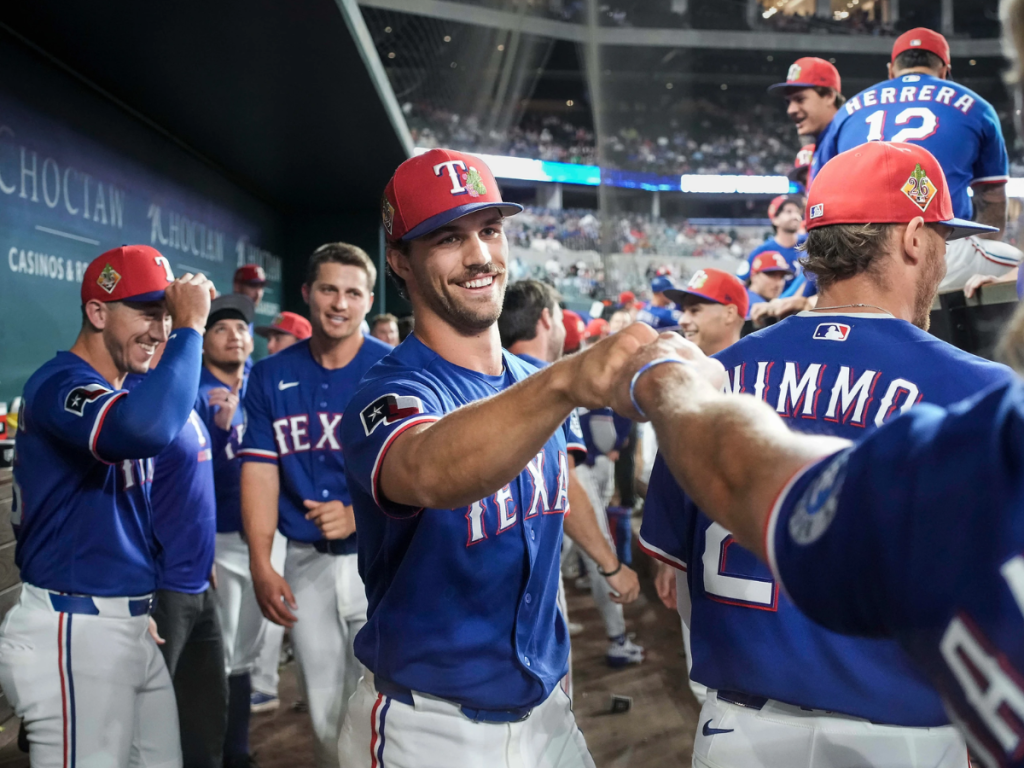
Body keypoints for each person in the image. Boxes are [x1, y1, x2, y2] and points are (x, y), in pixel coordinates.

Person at [618, 142, 1023, 767]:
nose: (944, 256)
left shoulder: (710, 379)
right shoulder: (983, 390)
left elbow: (672, 574)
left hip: (739, 727)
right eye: (943, 237)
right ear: (914, 237)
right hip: (902, 737)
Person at [338, 149, 647, 768]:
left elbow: (560, 481)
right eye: (448, 238)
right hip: (432, 727)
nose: (480, 256)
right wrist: (565, 381)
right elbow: (430, 469)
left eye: (490, 230)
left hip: (548, 714)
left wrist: (610, 562)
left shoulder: (531, 381)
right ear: (400, 260)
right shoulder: (390, 391)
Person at [0, 245, 213, 766]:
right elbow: (143, 430)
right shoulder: (60, 384)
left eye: (165, 315)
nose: (159, 330)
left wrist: (135, 601)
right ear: (97, 312)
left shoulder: (117, 392)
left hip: (125, 622)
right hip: (74, 628)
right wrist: (190, 329)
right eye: (146, 313)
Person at [240, 243, 391, 768]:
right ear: (307, 293)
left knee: (390, 707)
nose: (340, 303)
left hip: (383, 561)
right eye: (329, 289)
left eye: (353, 292)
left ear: (369, 300)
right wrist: (262, 562)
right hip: (305, 562)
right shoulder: (269, 375)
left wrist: (358, 513)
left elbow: (421, 472)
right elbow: (260, 472)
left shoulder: (392, 369)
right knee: (325, 714)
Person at [499, 279, 644, 668]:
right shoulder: (555, 381)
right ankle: (617, 639)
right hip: (534, 570)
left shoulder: (485, 377)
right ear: (546, 320)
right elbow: (565, 487)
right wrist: (611, 565)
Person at [815, 27, 1021, 293]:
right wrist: (983, 252)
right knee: (1018, 269)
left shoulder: (846, 112)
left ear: (891, 70)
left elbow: (821, 197)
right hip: (940, 252)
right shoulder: (977, 106)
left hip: (858, 258)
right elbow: (992, 198)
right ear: (944, 70)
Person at [137, 355, 226, 768]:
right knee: (145, 724)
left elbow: (191, 488)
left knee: (205, 716)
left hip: (200, 582)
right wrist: (140, 595)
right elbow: (130, 508)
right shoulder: (138, 407)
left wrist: (205, 553)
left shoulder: (180, 399)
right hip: (162, 590)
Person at [191, 294, 270, 767]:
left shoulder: (262, 386)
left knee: (246, 653)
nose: (234, 336)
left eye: (241, 327)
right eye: (220, 328)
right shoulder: (194, 390)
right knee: (217, 656)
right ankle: (213, 752)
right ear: (203, 342)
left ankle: (236, 749)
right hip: (217, 538)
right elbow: (188, 480)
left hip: (261, 537)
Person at [768, 57, 844, 186]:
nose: (790, 110)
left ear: (829, 96)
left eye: (800, 99)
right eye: (788, 102)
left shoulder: (848, 142)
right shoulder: (825, 145)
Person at [669, 269, 748, 356]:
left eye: (694, 310)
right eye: (683, 311)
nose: (682, 321)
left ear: (730, 314)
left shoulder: (755, 363)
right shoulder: (674, 362)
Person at [745, 252, 794, 316]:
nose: (779, 283)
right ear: (754, 276)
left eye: (782, 277)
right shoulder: (746, 304)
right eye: (771, 275)